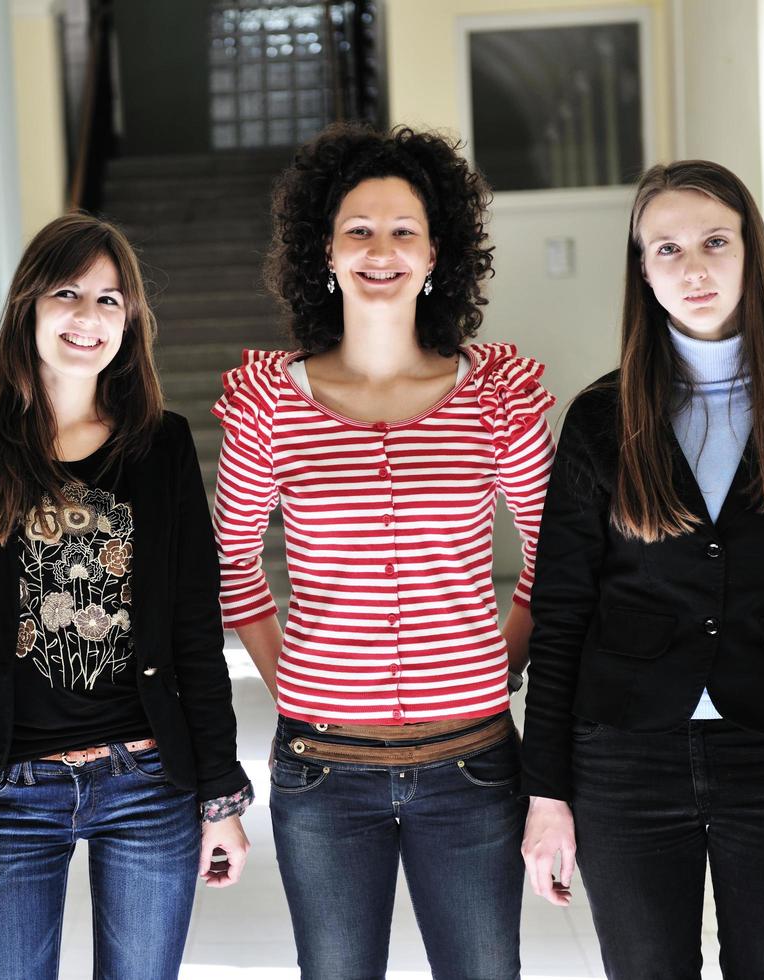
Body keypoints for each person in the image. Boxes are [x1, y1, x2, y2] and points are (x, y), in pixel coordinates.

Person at [520, 159, 764, 979]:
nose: (694, 267)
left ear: (751, 251)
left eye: (715, 241)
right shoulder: (601, 419)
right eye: (667, 248)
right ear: (641, 272)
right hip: (624, 760)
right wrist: (547, 797)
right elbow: (562, 613)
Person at [212, 122, 554, 979]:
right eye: (357, 229)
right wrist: (293, 669)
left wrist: (498, 658)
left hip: (471, 767)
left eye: (404, 230)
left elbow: (560, 555)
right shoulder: (269, 403)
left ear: (437, 254)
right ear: (323, 253)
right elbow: (231, 562)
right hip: (323, 772)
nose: (381, 249)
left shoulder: (494, 393)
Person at [0, 212, 252, 980]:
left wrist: (221, 791)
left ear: (130, 321)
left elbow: (197, 628)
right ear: (28, 306)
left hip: (147, 778)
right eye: (68, 293)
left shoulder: (162, 447)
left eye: (110, 300)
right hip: (4, 789)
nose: (88, 318)